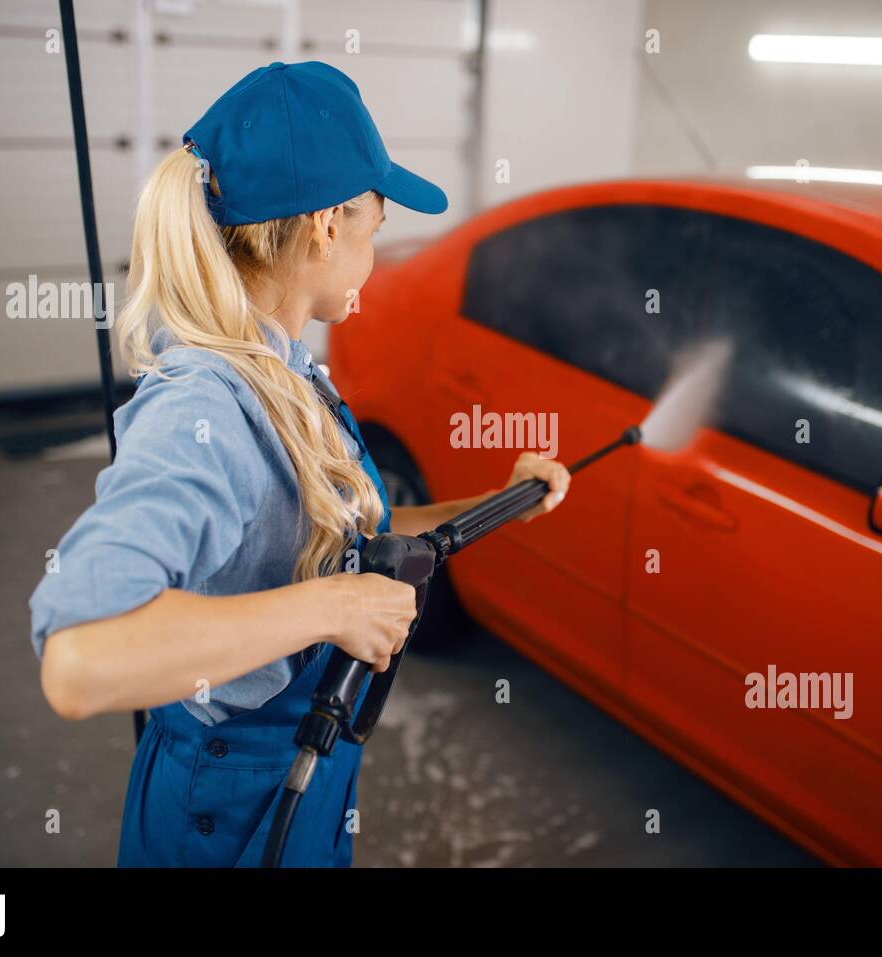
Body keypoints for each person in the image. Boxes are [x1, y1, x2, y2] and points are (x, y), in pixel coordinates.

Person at [28, 61, 570, 867]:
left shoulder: (283, 371)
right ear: (325, 224)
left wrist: (500, 501)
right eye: (376, 225)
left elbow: (343, 536)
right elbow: (81, 655)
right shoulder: (204, 406)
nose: (375, 249)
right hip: (224, 815)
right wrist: (332, 607)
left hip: (301, 784)